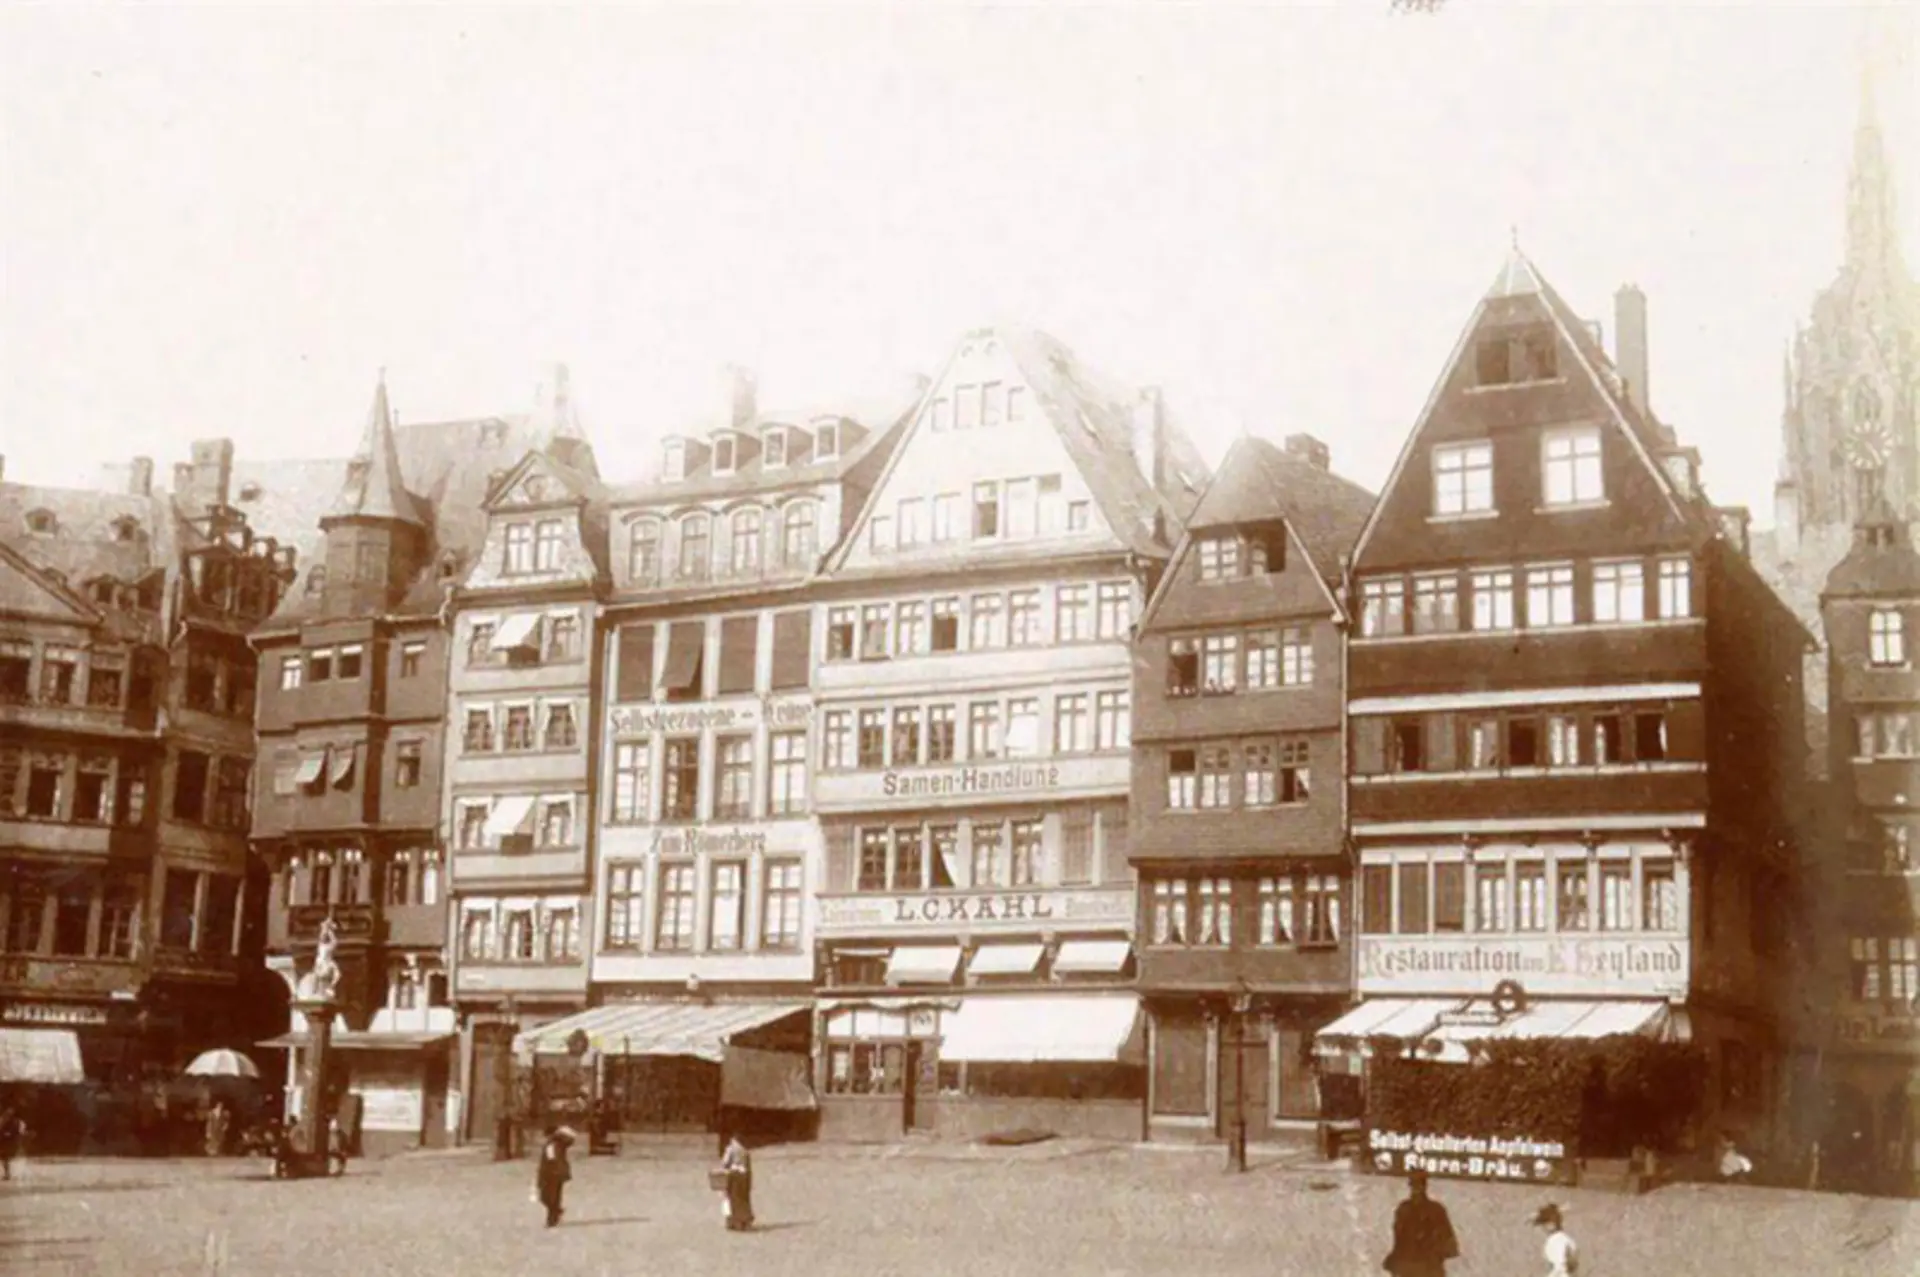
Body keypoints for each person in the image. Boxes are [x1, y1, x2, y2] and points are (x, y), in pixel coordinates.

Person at [1383, 1170, 1459, 1276]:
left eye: (1419, 1185)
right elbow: (1399, 1238)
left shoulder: (1436, 1210)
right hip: (1409, 1265)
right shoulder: (1404, 1209)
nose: (1416, 1189)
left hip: (1427, 1266)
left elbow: (1448, 1241)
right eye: (1414, 1185)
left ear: (1424, 1186)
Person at [535, 1126, 573, 1228]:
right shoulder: (557, 1143)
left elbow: (552, 1159)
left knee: (549, 1197)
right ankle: (555, 1213)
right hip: (555, 1174)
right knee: (552, 1197)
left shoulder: (552, 1144)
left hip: (551, 1174)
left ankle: (552, 1218)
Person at [720, 1132, 754, 1232]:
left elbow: (725, 1162)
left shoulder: (731, 1149)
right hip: (744, 1175)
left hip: (734, 1176)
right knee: (743, 1199)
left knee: (734, 1199)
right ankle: (746, 1219)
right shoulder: (744, 1150)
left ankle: (735, 1220)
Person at [1534, 1203, 1579, 1276]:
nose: (1543, 1228)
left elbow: (1559, 1267)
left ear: (1550, 1224)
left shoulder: (1553, 1242)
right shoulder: (1568, 1240)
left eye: (1544, 1224)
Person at [0, 1104, 23, 1181]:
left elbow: (16, 1132)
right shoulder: (3, 1120)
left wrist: (8, 1133)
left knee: (5, 1158)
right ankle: (7, 1174)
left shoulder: (14, 1122)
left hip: (8, 1142)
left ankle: (7, 1174)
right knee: (4, 1158)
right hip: (4, 1141)